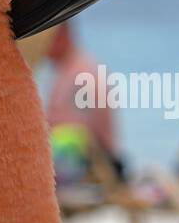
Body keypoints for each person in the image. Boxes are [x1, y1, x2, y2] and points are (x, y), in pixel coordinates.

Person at [44, 22, 126, 183]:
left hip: (98, 164)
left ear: (59, 36)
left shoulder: (82, 74)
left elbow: (73, 131)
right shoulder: (71, 67)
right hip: (87, 156)